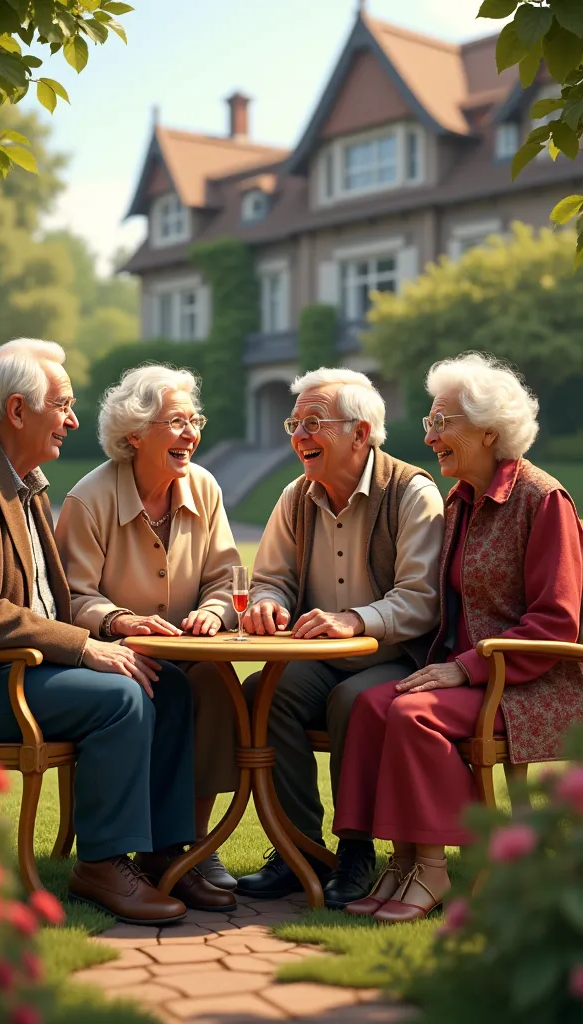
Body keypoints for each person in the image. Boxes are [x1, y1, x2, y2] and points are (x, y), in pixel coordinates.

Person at [0, 338, 228, 924]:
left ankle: (162, 854)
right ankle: (101, 864)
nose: (74, 421)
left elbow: (56, 598)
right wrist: (86, 646)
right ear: (18, 411)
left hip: (19, 669)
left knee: (167, 681)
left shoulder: (17, 478)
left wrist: (109, 634)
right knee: (121, 697)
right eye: (64, 406)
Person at [334, 351, 583, 922]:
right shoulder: (461, 501)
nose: (431, 437)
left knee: (411, 713)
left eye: (443, 423)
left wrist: (464, 668)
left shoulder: (543, 500)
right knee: (374, 706)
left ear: (489, 432)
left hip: (530, 686)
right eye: (429, 423)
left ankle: (434, 868)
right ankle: (400, 862)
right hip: (469, 678)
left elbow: (558, 621)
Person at [235, 367, 445, 908]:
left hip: (398, 655)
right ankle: (297, 849)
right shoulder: (296, 495)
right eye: (294, 422)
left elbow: (422, 599)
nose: (298, 435)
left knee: (352, 700)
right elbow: (272, 578)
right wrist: (267, 605)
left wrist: (356, 619)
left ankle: (356, 849)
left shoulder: (412, 492)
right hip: (321, 654)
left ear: (359, 432)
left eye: (313, 422)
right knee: (264, 692)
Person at [55, 364, 240, 899]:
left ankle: (190, 846)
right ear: (134, 434)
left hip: (191, 649)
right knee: (162, 686)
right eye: (176, 421)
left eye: (194, 420)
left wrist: (214, 611)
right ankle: (158, 853)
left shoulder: (203, 487)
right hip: (117, 656)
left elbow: (228, 577)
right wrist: (119, 620)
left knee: (214, 683)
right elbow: (71, 596)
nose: (191, 434)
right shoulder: (90, 498)